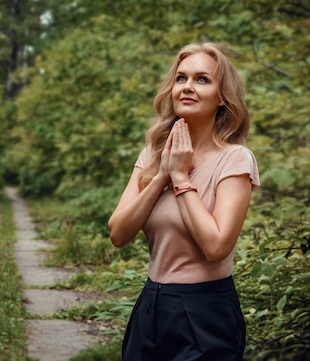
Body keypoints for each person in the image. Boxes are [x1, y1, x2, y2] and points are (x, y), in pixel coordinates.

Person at [108, 42, 260, 361]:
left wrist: (181, 179)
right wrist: (163, 173)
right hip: (151, 305)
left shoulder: (235, 160)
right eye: (181, 78)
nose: (187, 87)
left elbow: (216, 246)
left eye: (202, 79)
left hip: (205, 313)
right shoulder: (152, 154)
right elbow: (118, 233)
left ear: (222, 97)